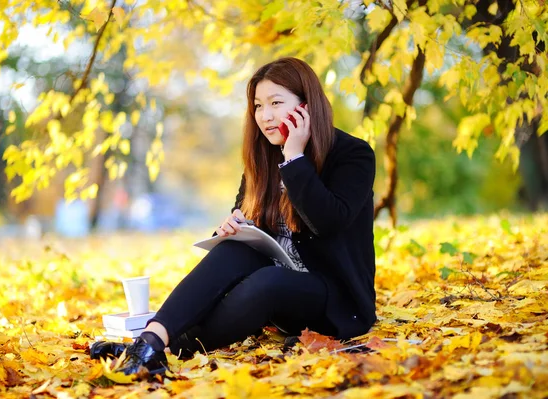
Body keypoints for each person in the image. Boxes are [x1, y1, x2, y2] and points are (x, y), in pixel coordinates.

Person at [90, 57, 377, 375]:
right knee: (234, 248)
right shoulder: (264, 159)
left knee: (270, 280)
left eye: (276, 103)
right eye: (257, 106)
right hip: (276, 294)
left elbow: (328, 222)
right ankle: (149, 343)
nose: (265, 116)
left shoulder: (353, 155)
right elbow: (245, 229)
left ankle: (161, 346)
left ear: (306, 106)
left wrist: (295, 158)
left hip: (333, 301)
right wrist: (232, 226)